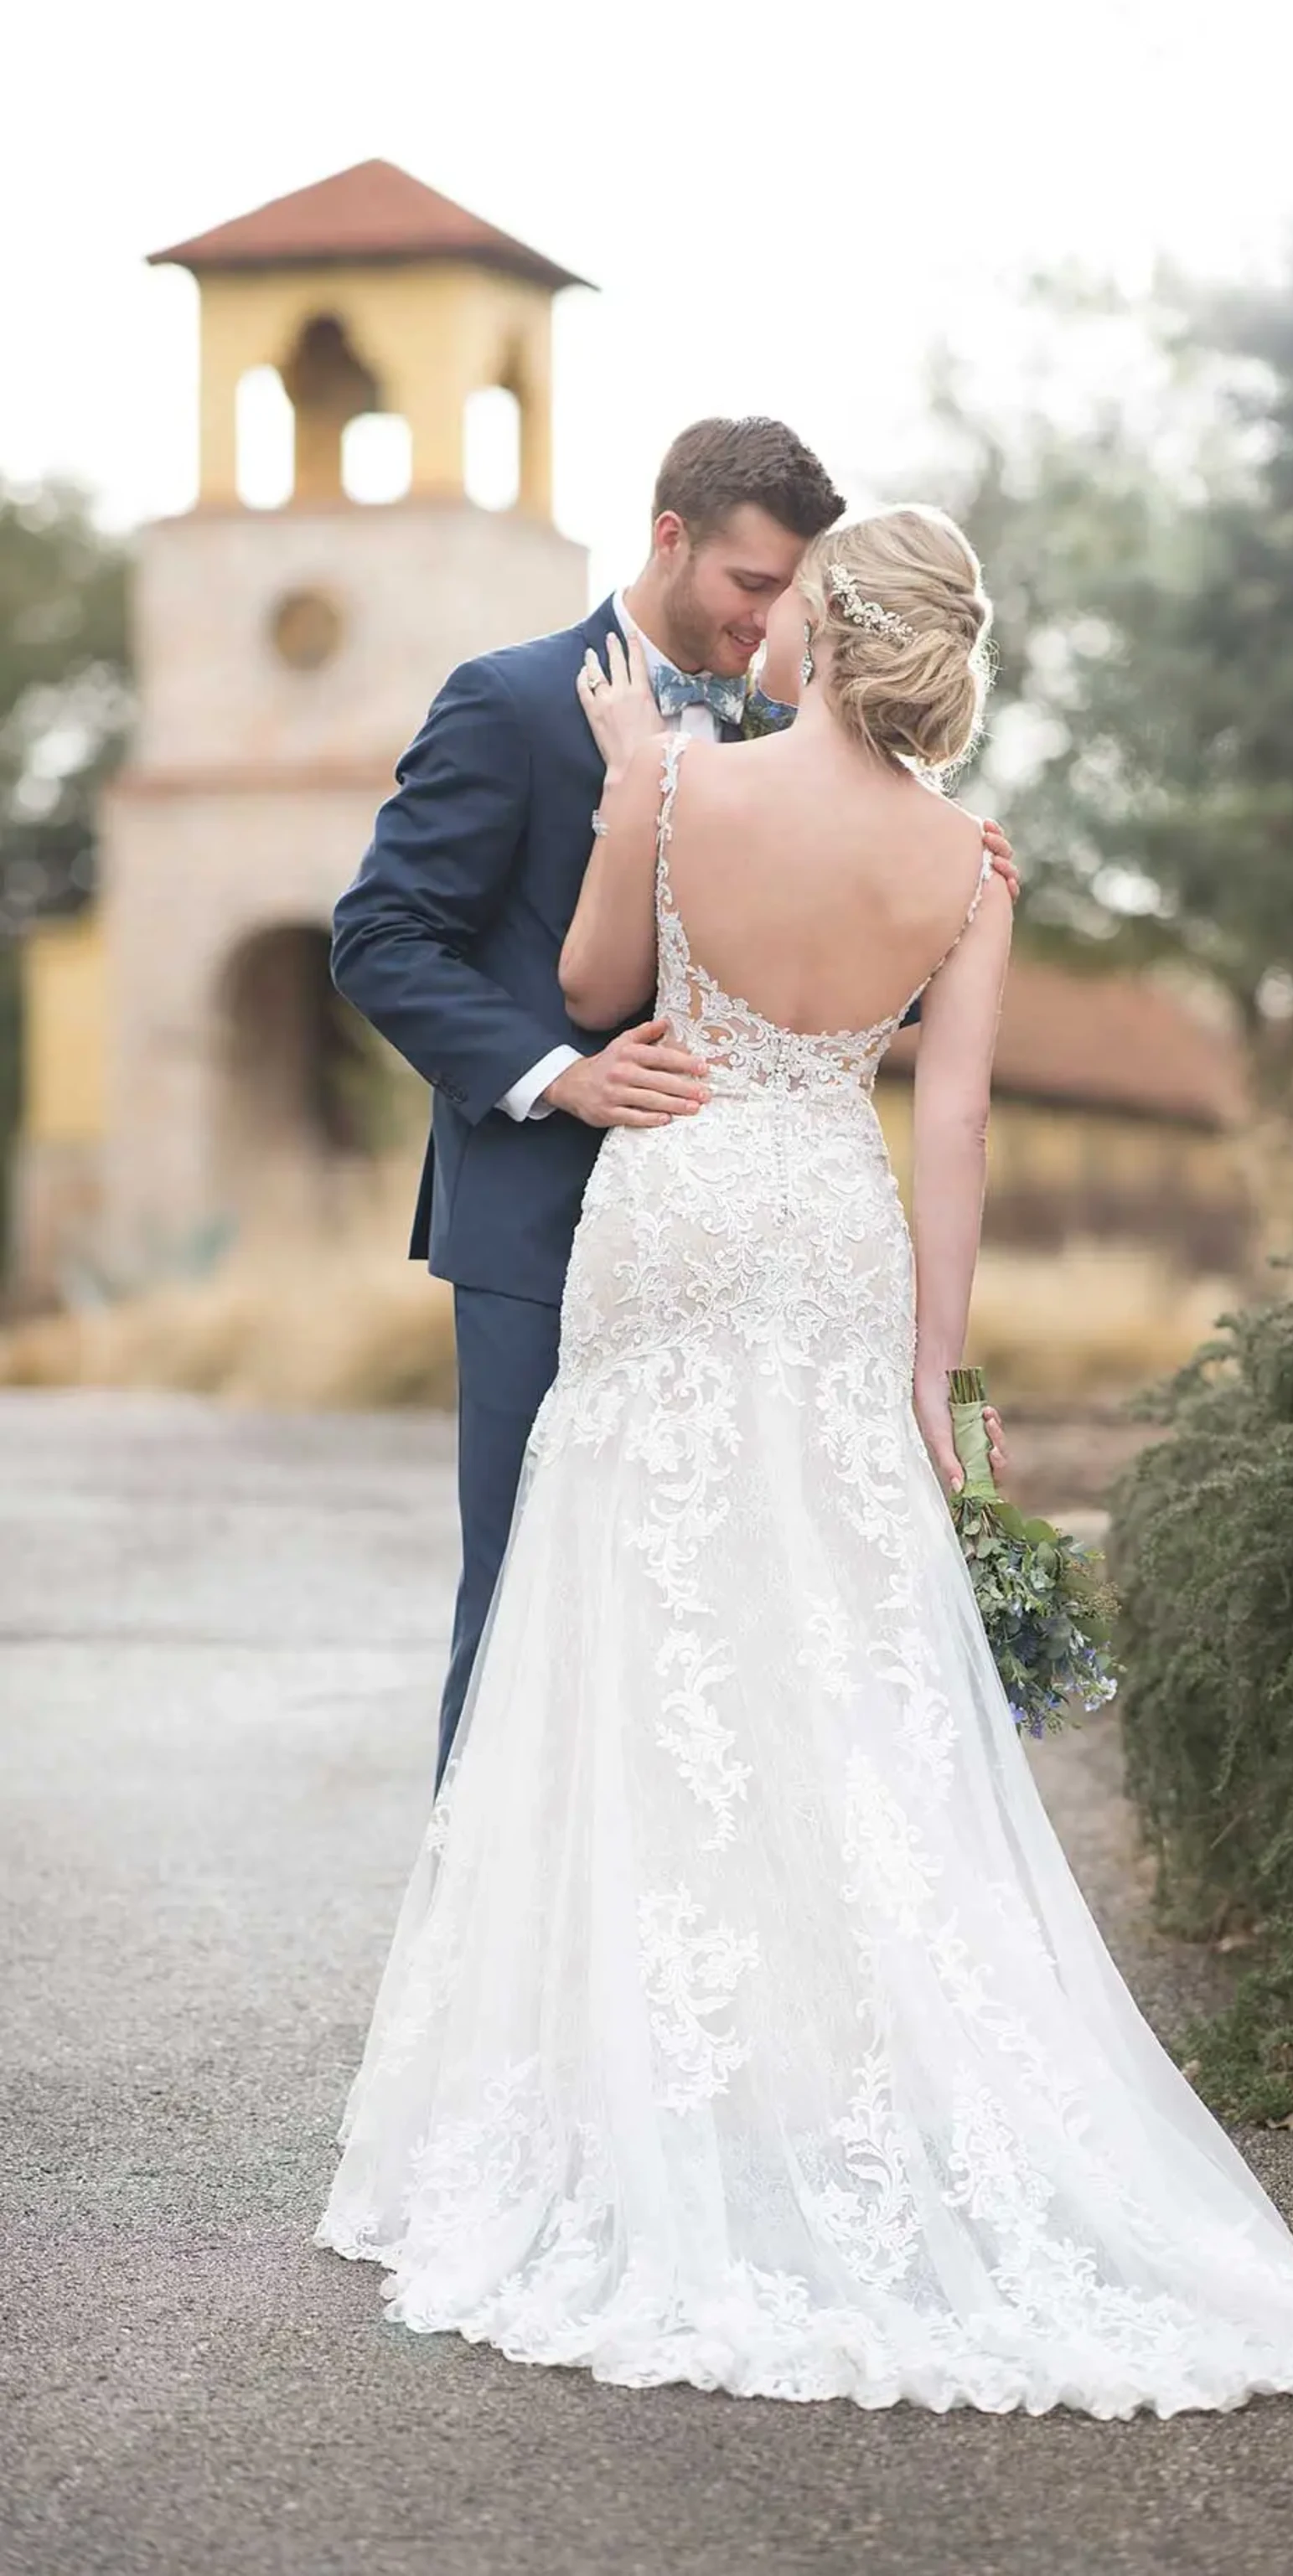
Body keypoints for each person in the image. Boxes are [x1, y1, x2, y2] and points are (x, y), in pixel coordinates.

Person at [317, 503, 1293, 2421]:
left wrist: (628, 789)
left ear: (828, 631)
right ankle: (829, 2072)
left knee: (637, 1628)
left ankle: (620, 2085)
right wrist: (937, 1360)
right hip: (834, 1239)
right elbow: (958, 1127)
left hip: (674, 1211)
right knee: (833, 1648)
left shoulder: (682, 780)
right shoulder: (969, 862)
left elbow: (592, 995)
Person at [331, 417, 1016, 1785]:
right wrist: (561, 1074)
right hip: (542, 1227)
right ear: (669, 539)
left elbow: (838, 982)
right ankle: (499, 1904)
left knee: (752, 1629)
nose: (768, 620)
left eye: (792, 595)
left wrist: (945, 875)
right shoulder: (510, 700)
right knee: (529, 1609)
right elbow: (382, 936)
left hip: (765, 1256)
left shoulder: (782, 736)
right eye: (751, 585)